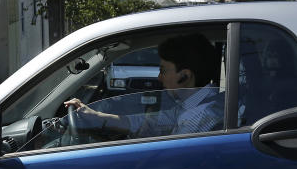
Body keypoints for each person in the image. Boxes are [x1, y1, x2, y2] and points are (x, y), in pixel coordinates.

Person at [64, 33, 223, 137]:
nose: (160, 78)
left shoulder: (200, 117)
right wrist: (97, 117)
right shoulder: (189, 107)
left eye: (163, 70)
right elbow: (148, 122)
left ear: (184, 76)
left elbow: (173, 167)